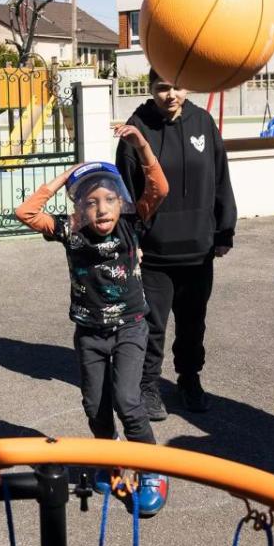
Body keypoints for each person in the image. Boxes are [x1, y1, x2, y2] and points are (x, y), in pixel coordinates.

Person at [15, 125, 170, 516]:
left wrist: (141, 145)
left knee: (128, 401)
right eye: (90, 201)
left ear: (121, 203)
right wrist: (66, 177)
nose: (101, 209)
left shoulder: (131, 224)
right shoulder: (71, 231)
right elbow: (26, 212)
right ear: (78, 207)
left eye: (108, 199)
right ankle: (111, 459)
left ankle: (153, 469)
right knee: (95, 406)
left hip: (131, 327)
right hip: (89, 333)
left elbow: (159, 189)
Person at [116, 69, 237, 420]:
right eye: (162, 88)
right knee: (151, 326)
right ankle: (149, 385)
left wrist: (223, 230)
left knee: (193, 323)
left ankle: (189, 379)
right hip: (153, 252)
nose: (171, 95)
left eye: (177, 87)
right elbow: (124, 193)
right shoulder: (135, 129)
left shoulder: (203, 122)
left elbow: (220, 178)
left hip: (198, 250)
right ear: (151, 88)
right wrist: (130, 241)